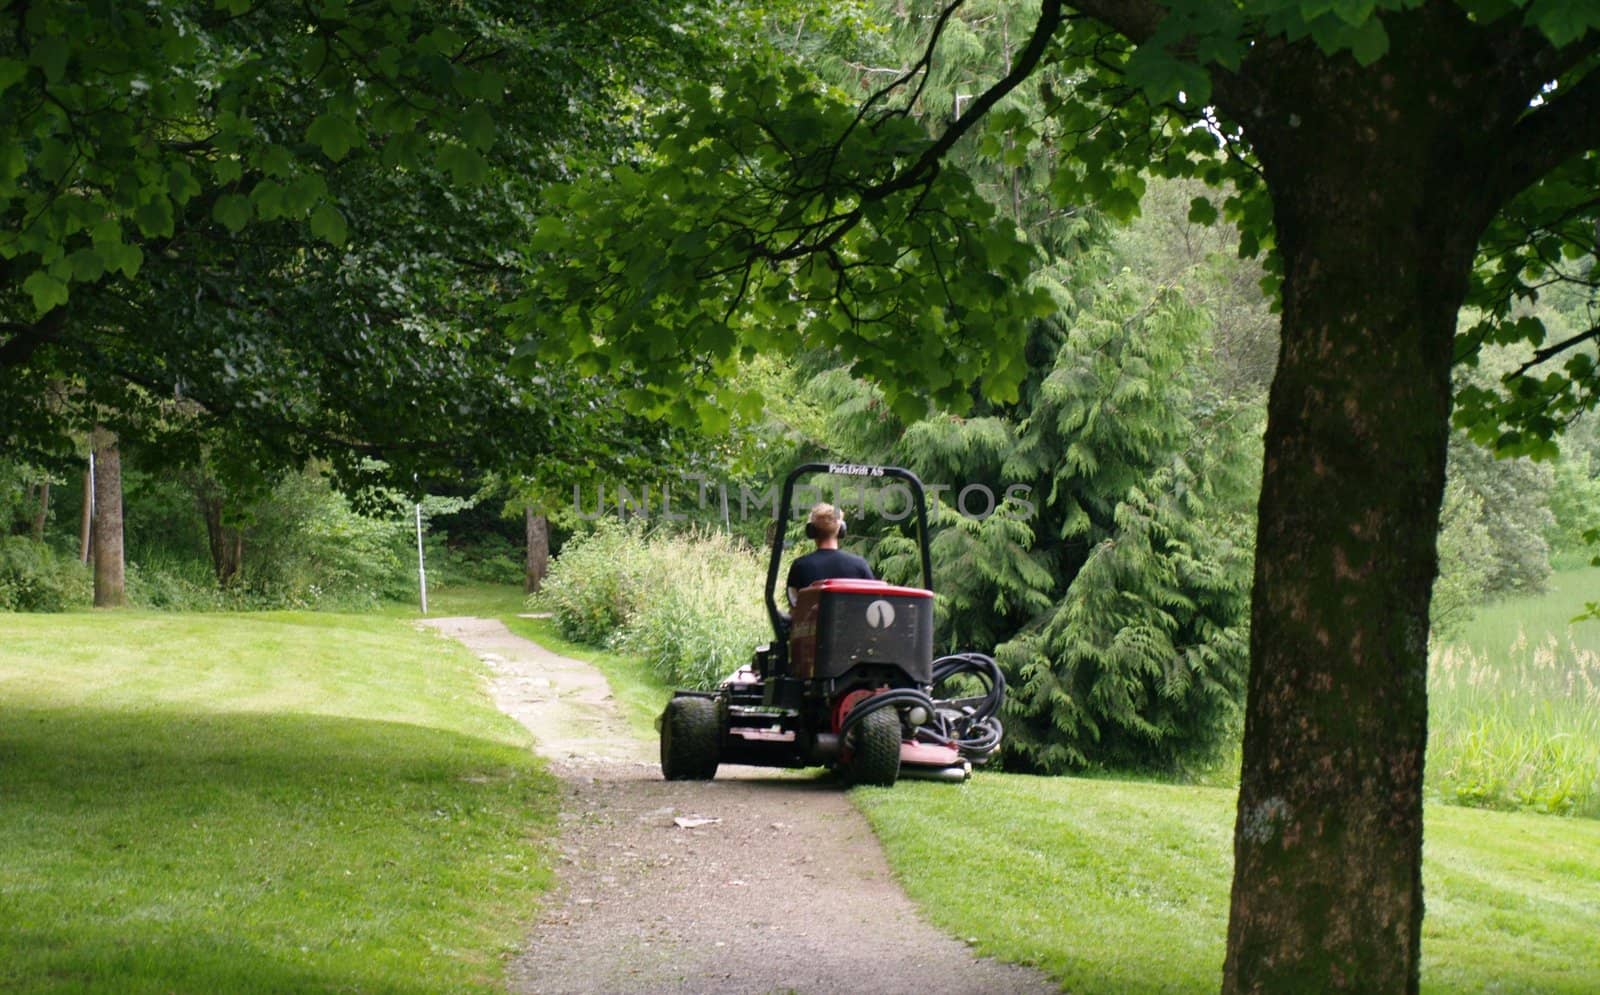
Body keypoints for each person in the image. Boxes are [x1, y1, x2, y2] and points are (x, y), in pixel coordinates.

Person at [786, 502, 874, 606]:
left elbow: (794, 604)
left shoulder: (800, 566)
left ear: (811, 531)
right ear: (841, 530)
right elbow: (874, 601)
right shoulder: (860, 565)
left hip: (815, 622)